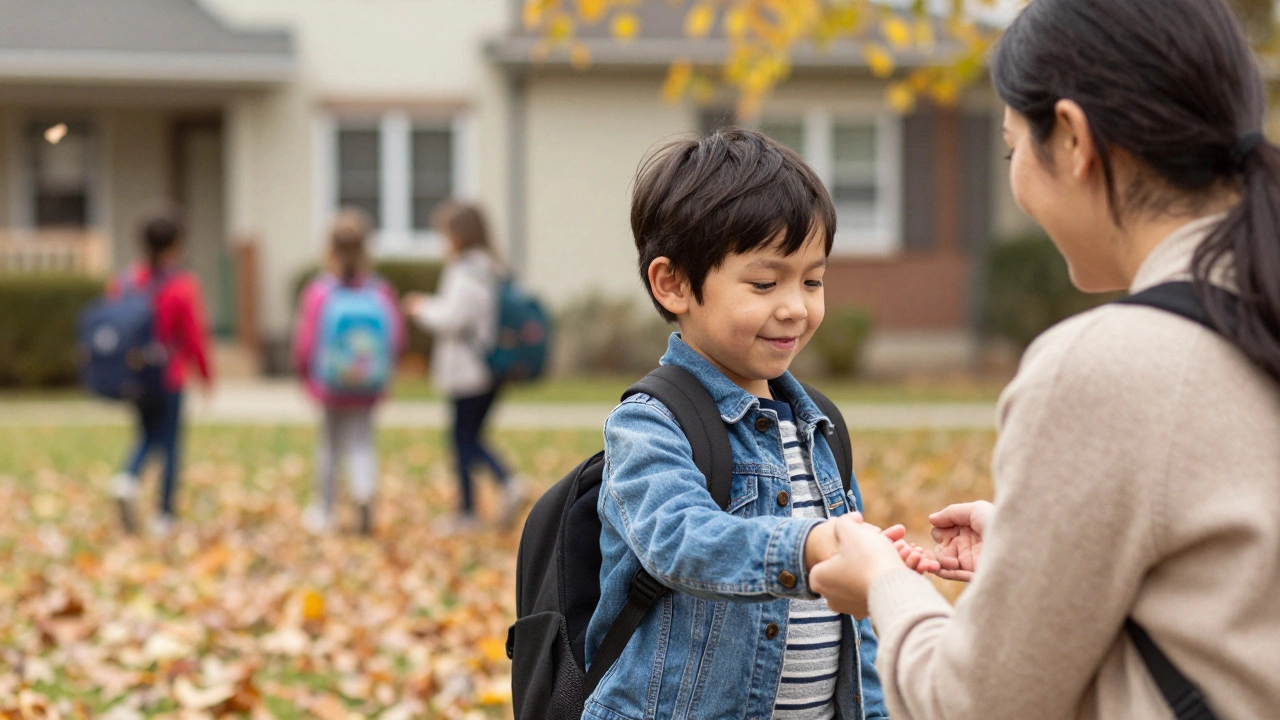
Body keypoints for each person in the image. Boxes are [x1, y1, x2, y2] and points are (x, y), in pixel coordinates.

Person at [808, 1, 1280, 718]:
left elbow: (972, 705)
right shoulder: (1254, 318)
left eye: (1012, 150)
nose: (1017, 179)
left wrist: (883, 585)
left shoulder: (1103, 366)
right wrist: (1033, 552)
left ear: (1071, 138)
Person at [580, 127, 903, 720]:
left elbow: (856, 630)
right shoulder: (650, 423)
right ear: (674, 284)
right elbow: (681, 541)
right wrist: (807, 547)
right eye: (764, 283)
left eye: (812, 280)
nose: (796, 307)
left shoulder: (820, 429)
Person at [403, 201, 522, 532]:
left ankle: (491, 494)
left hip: (469, 372)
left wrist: (421, 308)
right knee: (470, 438)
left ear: (458, 235)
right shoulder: (494, 269)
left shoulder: (466, 271)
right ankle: (483, 499)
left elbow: (454, 318)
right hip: (491, 367)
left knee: (462, 441)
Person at [292, 208, 404, 536]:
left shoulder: (320, 291)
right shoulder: (379, 291)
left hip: (330, 382)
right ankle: (363, 491)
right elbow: (396, 338)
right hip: (368, 382)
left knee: (329, 445)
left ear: (329, 249)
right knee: (362, 442)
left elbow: (305, 341)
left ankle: (325, 511)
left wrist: (305, 374)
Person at [108, 205, 214, 537]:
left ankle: (128, 479)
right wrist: (205, 374)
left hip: (136, 376)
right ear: (176, 245)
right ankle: (164, 515)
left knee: (146, 435)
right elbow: (194, 335)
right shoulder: (182, 285)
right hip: (169, 376)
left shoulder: (126, 282)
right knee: (169, 444)